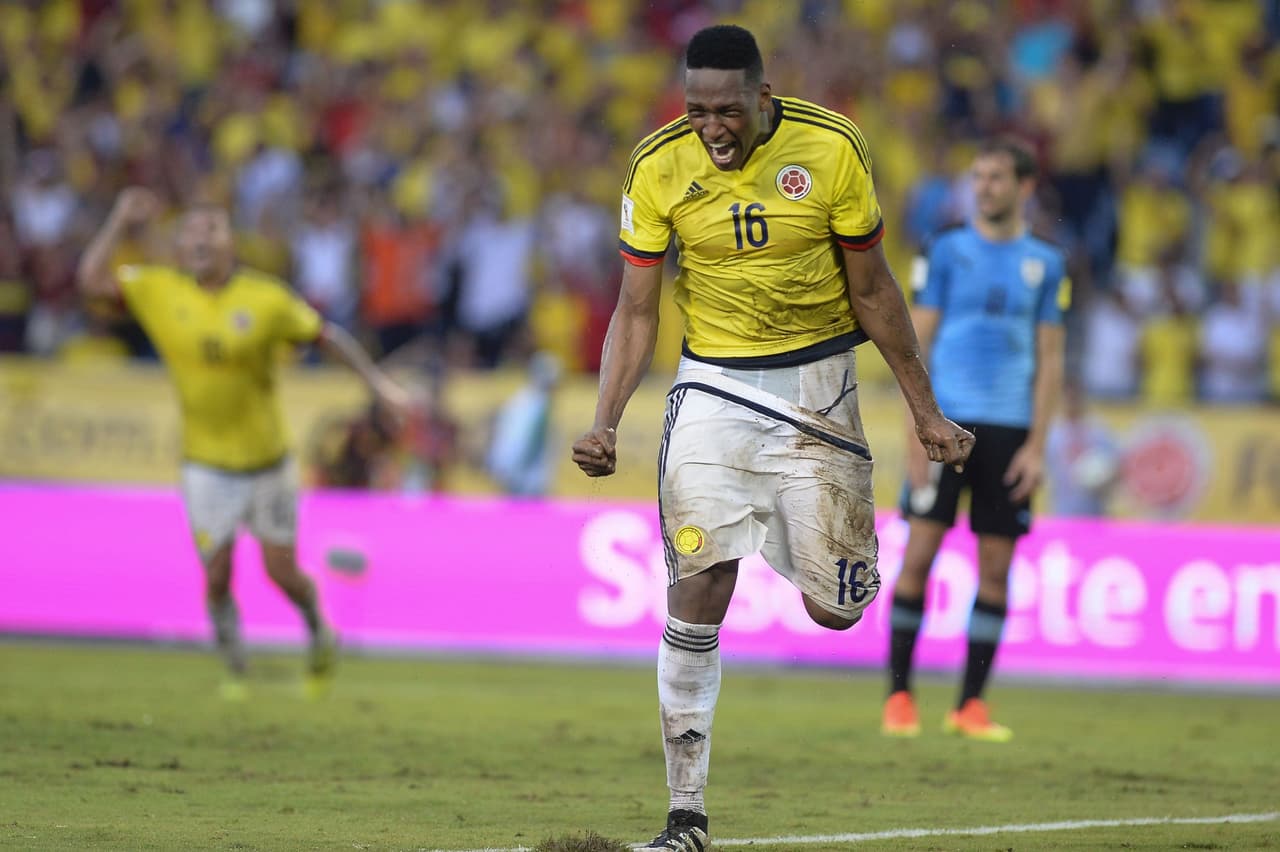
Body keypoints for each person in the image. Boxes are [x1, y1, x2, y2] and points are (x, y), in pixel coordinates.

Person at [571, 25, 973, 851]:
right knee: (698, 584)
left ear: (762, 95)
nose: (709, 127)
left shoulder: (831, 150)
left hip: (819, 390)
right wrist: (604, 421)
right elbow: (637, 310)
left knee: (837, 610)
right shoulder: (657, 166)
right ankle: (686, 816)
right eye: (695, 110)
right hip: (712, 385)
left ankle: (804, 535)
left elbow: (874, 289)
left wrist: (924, 410)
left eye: (725, 109)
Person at [77, 187, 409, 701]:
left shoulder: (265, 299)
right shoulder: (158, 288)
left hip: (266, 461)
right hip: (205, 465)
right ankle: (235, 667)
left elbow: (328, 337)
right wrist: (120, 219)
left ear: (231, 242)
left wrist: (378, 385)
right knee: (216, 575)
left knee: (281, 572)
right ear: (179, 246)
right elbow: (90, 282)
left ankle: (319, 629)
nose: (201, 239)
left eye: (212, 229)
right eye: (192, 231)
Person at [883, 138, 1068, 742]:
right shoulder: (945, 250)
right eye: (978, 176)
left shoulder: (1046, 261)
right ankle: (900, 698)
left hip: (1009, 429)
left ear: (1024, 187)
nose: (984, 187)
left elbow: (1050, 358)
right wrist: (918, 425)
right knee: (919, 556)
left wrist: (1037, 445)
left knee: (995, 569)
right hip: (946, 423)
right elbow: (919, 342)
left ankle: (970, 707)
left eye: (995, 177)